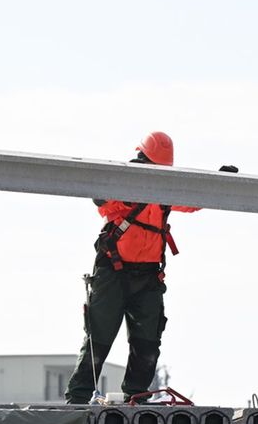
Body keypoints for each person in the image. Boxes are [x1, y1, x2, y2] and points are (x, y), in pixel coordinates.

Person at [64, 132, 199, 405]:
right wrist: (127, 185)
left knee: (147, 344)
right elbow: (100, 198)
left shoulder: (166, 191)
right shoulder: (123, 183)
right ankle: (77, 400)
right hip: (113, 272)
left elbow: (193, 202)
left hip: (148, 277)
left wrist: (218, 181)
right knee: (98, 340)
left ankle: (136, 400)